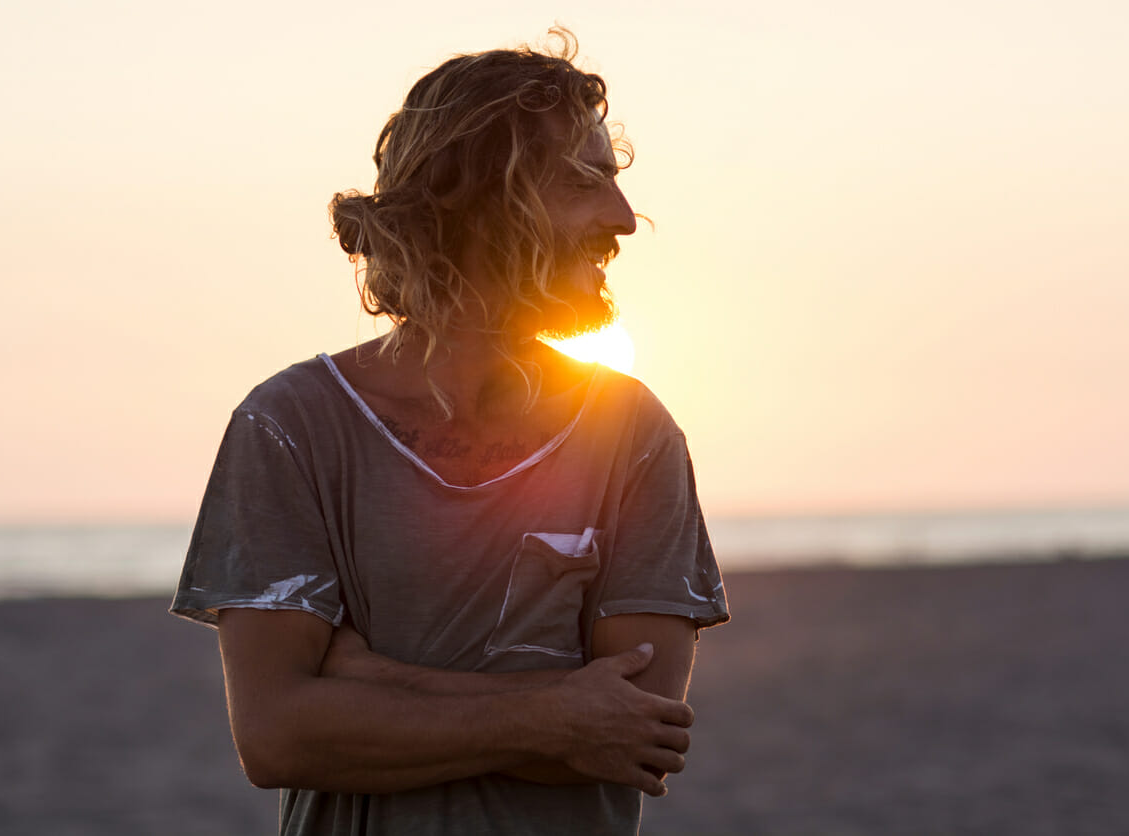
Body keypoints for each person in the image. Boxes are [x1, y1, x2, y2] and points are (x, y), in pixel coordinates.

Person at [171, 28, 728, 836]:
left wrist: (374, 685)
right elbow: (278, 737)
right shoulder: (291, 425)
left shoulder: (632, 432)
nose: (623, 219)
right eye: (584, 182)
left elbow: (635, 734)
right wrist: (556, 713)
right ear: (482, 200)